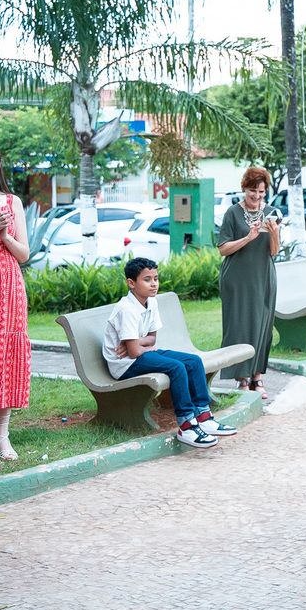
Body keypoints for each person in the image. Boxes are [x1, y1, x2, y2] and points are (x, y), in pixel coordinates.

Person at [103, 257, 238, 448]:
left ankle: (204, 417)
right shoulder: (126, 309)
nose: (153, 284)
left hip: (142, 354)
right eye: (147, 279)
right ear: (131, 283)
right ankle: (186, 426)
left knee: (193, 361)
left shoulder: (152, 302)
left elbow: (151, 339)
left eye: (156, 278)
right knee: (176, 367)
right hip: (124, 364)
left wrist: (139, 343)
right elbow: (132, 353)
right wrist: (139, 346)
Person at [217, 167, 281, 399]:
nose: (256, 196)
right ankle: (241, 378)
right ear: (244, 188)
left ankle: (257, 376)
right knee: (239, 326)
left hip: (264, 277)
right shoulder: (232, 213)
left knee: (263, 325)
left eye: (261, 191)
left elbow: (274, 252)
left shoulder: (273, 212)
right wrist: (248, 238)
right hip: (237, 278)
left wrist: (274, 234)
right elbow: (223, 249)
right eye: (252, 191)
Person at [0, 150, 31, 461]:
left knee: (6, 355)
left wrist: (4, 234)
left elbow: (24, 254)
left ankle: (3, 437)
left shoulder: (12, 202)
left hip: (7, 287)